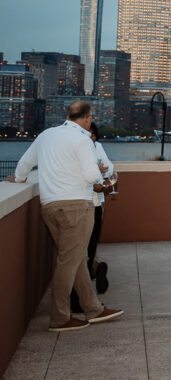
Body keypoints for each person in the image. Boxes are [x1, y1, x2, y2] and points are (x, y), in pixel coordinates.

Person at [12, 101, 123, 332]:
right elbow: (92, 175)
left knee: (76, 258)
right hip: (76, 206)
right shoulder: (83, 140)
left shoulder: (46, 135)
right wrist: (106, 183)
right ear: (87, 118)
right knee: (68, 261)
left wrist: (19, 180)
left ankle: (93, 309)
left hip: (49, 205)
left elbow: (23, 166)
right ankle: (60, 317)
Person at [70, 122, 114, 312]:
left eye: (94, 135)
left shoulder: (97, 148)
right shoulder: (74, 149)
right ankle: (92, 275)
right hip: (79, 202)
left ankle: (92, 272)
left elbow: (110, 169)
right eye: (89, 134)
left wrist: (105, 171)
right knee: (81, 252)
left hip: (96, 202)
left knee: (89, 247)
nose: (92, 138)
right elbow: (88, 176)